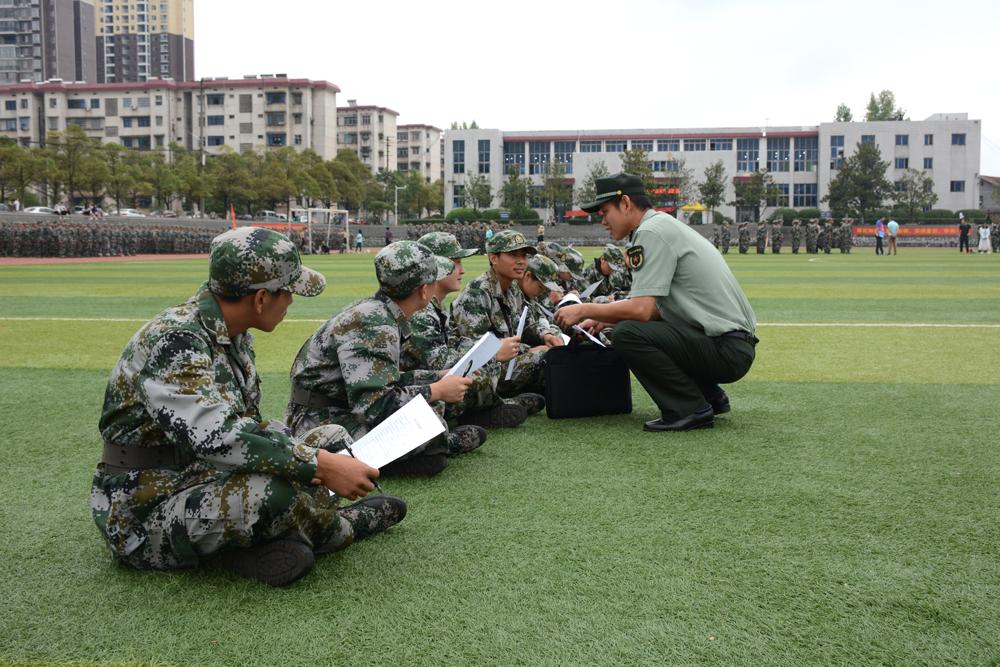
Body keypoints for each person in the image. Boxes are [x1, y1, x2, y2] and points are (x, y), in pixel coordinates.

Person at [92, 227, 406, 587]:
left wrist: (312, 456)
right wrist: (318, 464)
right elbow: (217, 437)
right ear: (260, 298)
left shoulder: (231, 335)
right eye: (288, 292)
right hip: (148, 508)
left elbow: (245, 425)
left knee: (331, 438)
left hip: (205, 476)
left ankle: (252, 545)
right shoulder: (176, 341)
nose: (291, 302)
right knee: (274, 492)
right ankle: (342, 527)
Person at [555, 173, 757, 432]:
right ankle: (709, 397)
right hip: (731, 346)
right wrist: (604, 318)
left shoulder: (650, 232)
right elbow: (659, 312)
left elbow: (642, 310)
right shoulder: (662, 225)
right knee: (628, 326)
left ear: (625, 204)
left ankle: (689, 409)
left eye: (605, 212)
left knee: (627, 333)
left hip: (726, 349)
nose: (602, 220)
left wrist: (583, 309)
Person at [287, 241, 487, 475]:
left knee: (431, 415)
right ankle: (437, 445)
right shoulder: (375, 323)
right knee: (429, 438)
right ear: (424, 290)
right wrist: (436, 390)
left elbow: (384, 380)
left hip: (338, 407)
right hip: (320, 421)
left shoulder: (379, 312)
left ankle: (437, 442)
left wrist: (437, 377)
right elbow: (375, 406)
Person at [402, 231, 542, 428]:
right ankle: (482, 411)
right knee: (475, 376)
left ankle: (488, 407)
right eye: (456, 263)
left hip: (436, 379)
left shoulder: (434, 306)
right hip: (418, 388)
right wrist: (492, 354)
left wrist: (492, 351)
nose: (462, 270)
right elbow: (437, 363)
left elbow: (454, 343)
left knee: (480, 373)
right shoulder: (422, 312)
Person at [451, 230, 565, 398]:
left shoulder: (513, 289)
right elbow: (473, 350)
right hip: (486, 372)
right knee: (545, 356)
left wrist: (545, 335)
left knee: (555, 350)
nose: (521, 261)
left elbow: (526, 325)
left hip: (508, 364)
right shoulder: (477, 293)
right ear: (494, 258)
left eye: (524, 255)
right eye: (513, 255)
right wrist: (528, 350)